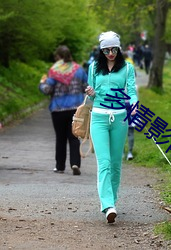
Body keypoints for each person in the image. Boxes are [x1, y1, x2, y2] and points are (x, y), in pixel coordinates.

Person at [85, 31, 138, 223]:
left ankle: (112, 201)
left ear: (119, 48)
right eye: (106, 50)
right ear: (101, 50)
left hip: (120, 119)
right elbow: (91, 97)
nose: (110, 53)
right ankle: (107, 205)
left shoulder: (127, 68)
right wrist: (90, 92)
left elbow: (131, 91)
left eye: (114, 49)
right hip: (98, 118)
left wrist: (133, 106)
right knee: (104, 163)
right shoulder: (93, 68)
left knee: (116, 164)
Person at [39, 45, 88, 175]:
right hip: (75, 109)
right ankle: (75, 163)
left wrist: (42, 83)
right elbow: (86, 87)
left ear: (58, 57)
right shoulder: (79, 70)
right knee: (74, 137)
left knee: (60, 138)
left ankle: (60, 166)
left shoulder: (54, 71)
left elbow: (47, 90)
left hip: (58, 109)